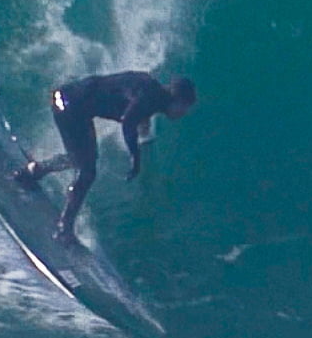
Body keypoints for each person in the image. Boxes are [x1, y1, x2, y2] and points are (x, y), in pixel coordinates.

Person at [13, 71, 196, 244]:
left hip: (70, 102)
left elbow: (132, 105)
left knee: (81, 158)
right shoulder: (149, 97)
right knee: (87, 170)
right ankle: (64, 228)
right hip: (70, 105)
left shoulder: (150, 90)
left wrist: (143, 126)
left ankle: (34, 171)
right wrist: (135, 156)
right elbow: (128, 122)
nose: (183, 113)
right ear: (177, 100)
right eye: (184, 108)